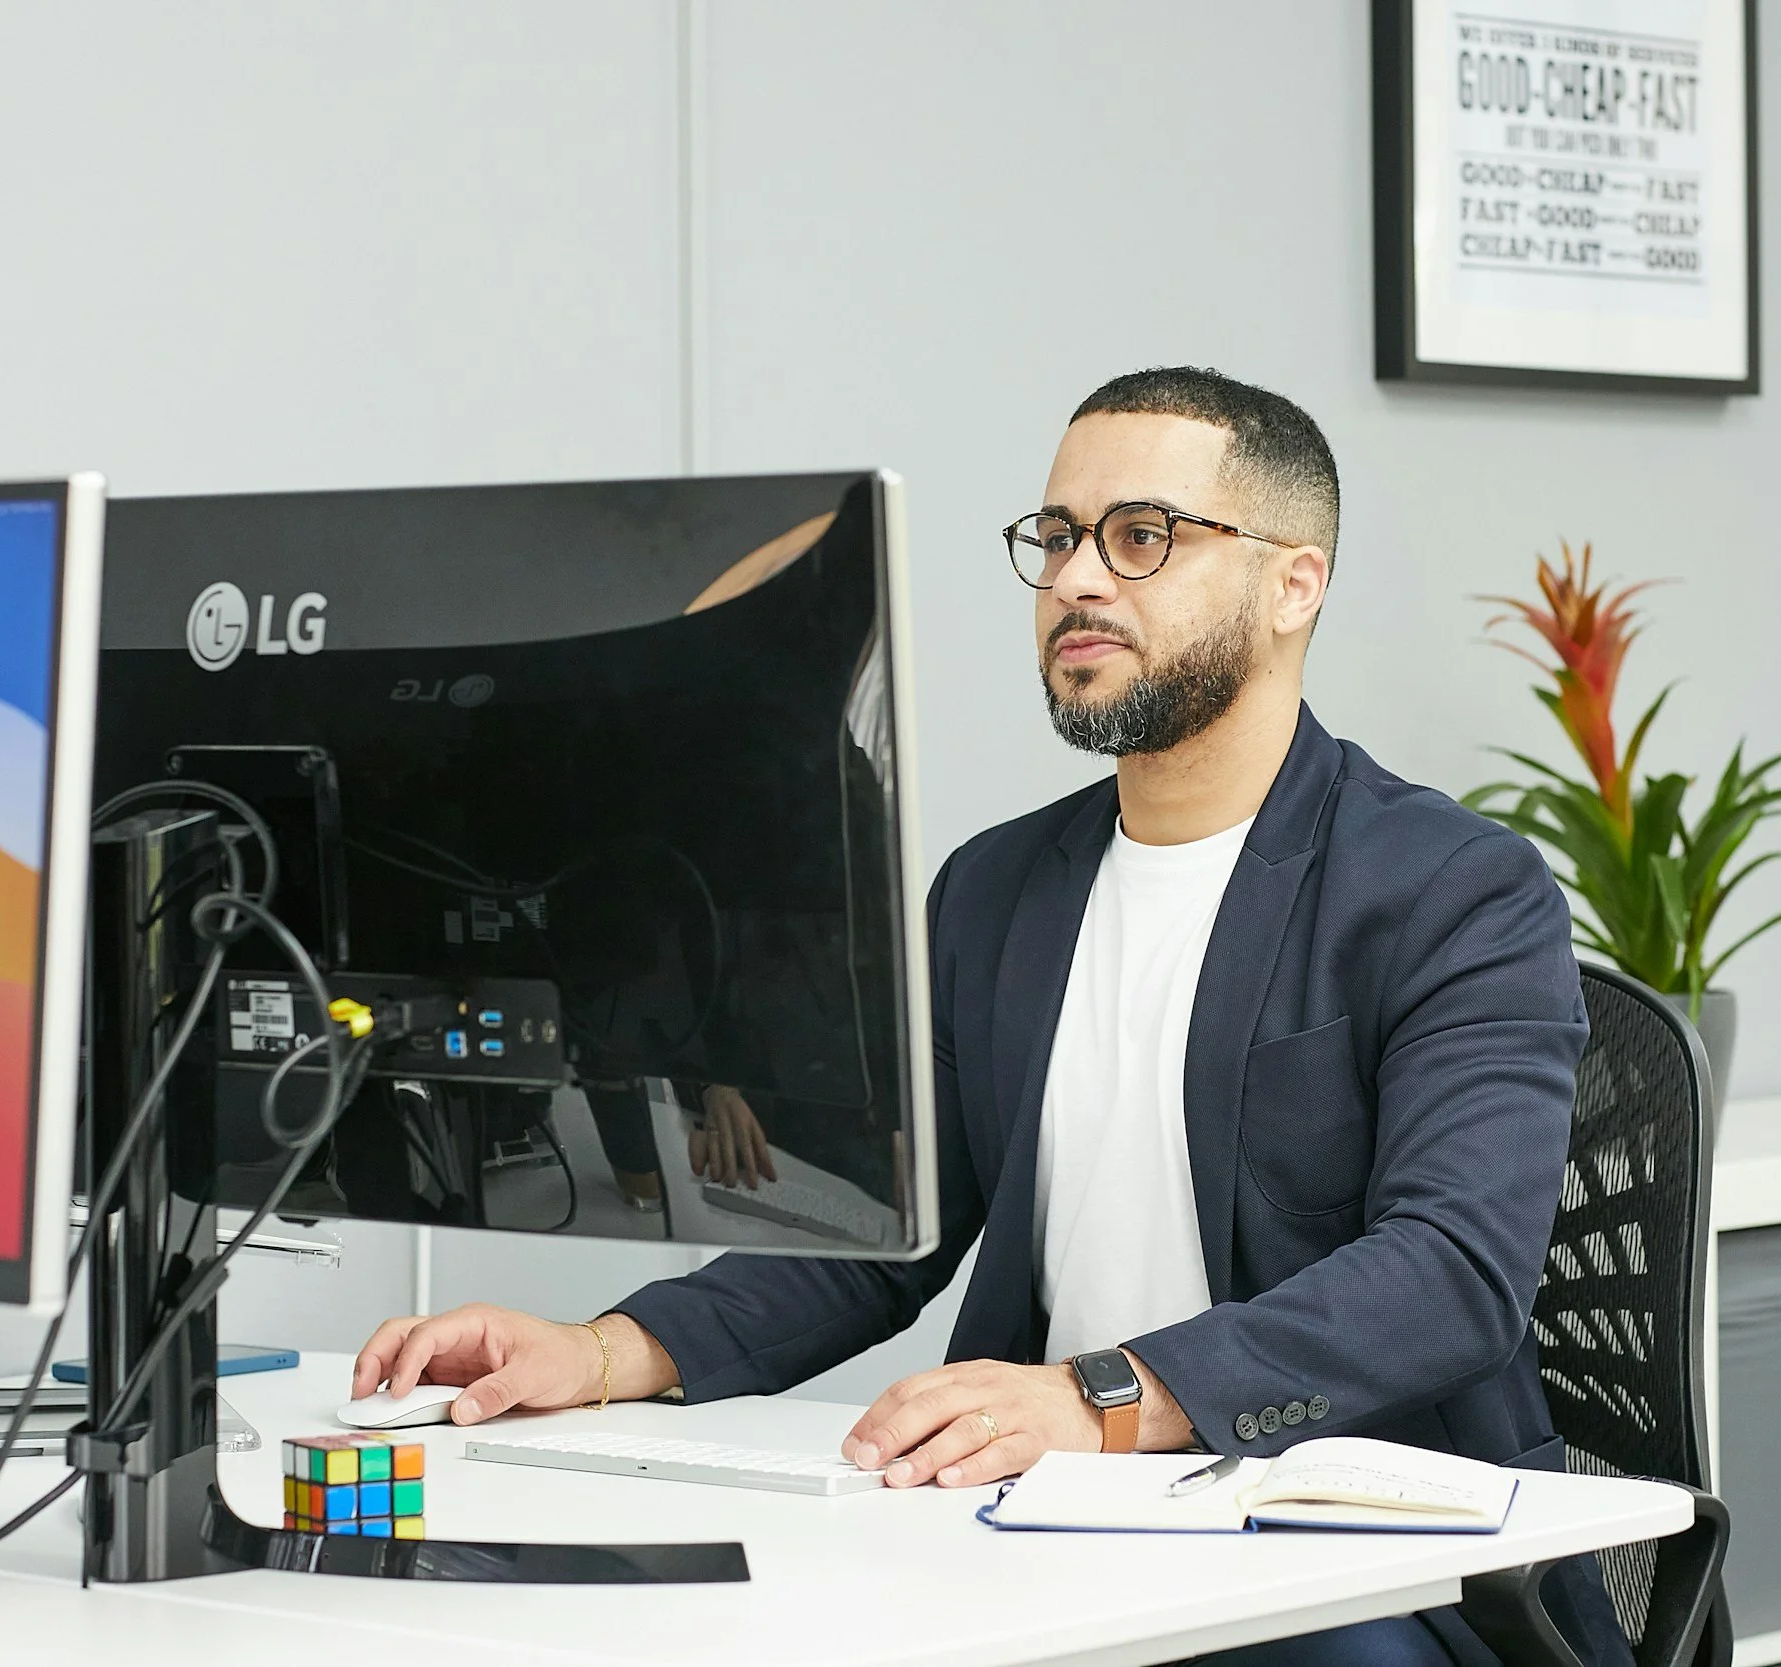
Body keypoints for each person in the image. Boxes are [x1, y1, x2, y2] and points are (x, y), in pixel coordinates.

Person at [351, 367, 1626, 1666]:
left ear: (1293, 585)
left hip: (1358, 1562)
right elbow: (884, 1235)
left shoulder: (1452, 890)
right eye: (1057, 538)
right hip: (1044, 1536)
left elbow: (1449, 1275)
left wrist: (1099, 1398)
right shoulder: (996, 888)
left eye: (1141, 537)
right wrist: (600, 1350)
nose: (1078, 579)